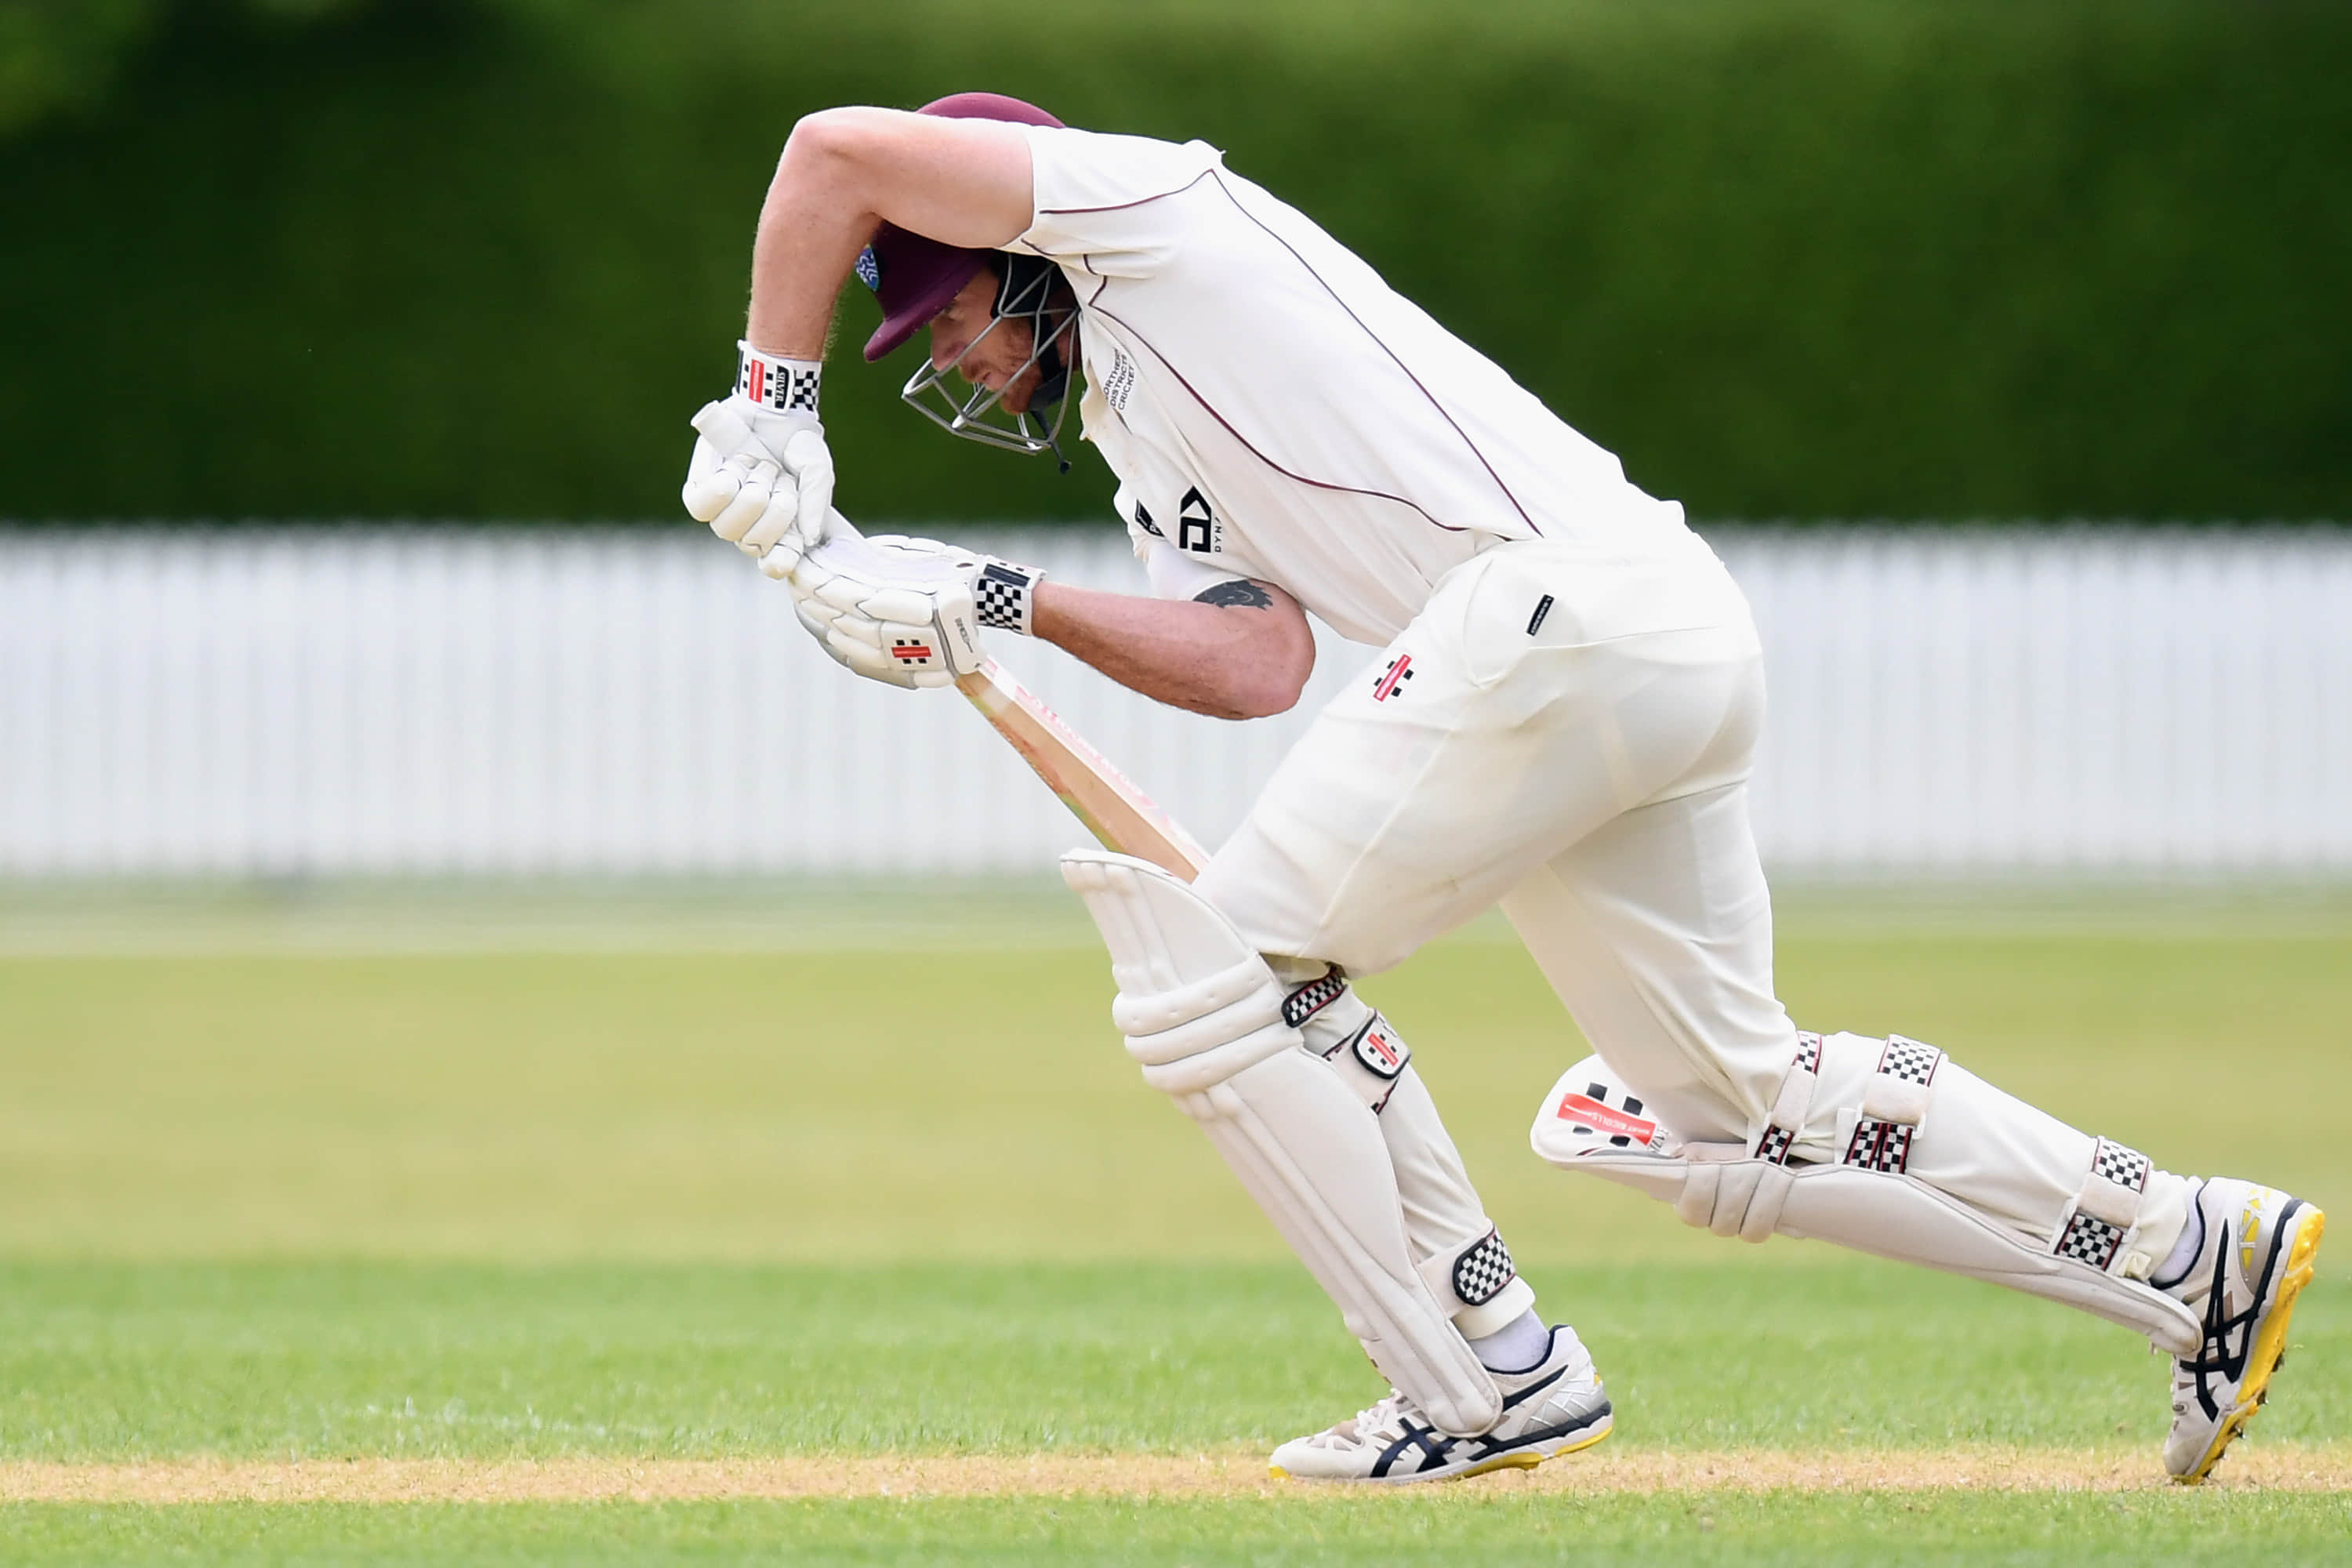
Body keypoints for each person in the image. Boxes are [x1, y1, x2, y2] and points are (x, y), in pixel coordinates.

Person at [678, 92, 2322, 1485]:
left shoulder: (1142, 208)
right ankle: (2192, 1247)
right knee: (1736, 1111)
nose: (951, 355)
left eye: (948, 311)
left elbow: (831, 153)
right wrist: (1001, 602)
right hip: (1637, 634)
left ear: (1018, 248)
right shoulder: (1135, 420)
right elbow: (1256, 660)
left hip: (1550, 622)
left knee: (1216, 976)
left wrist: (775, 412)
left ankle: (1488, 1374)